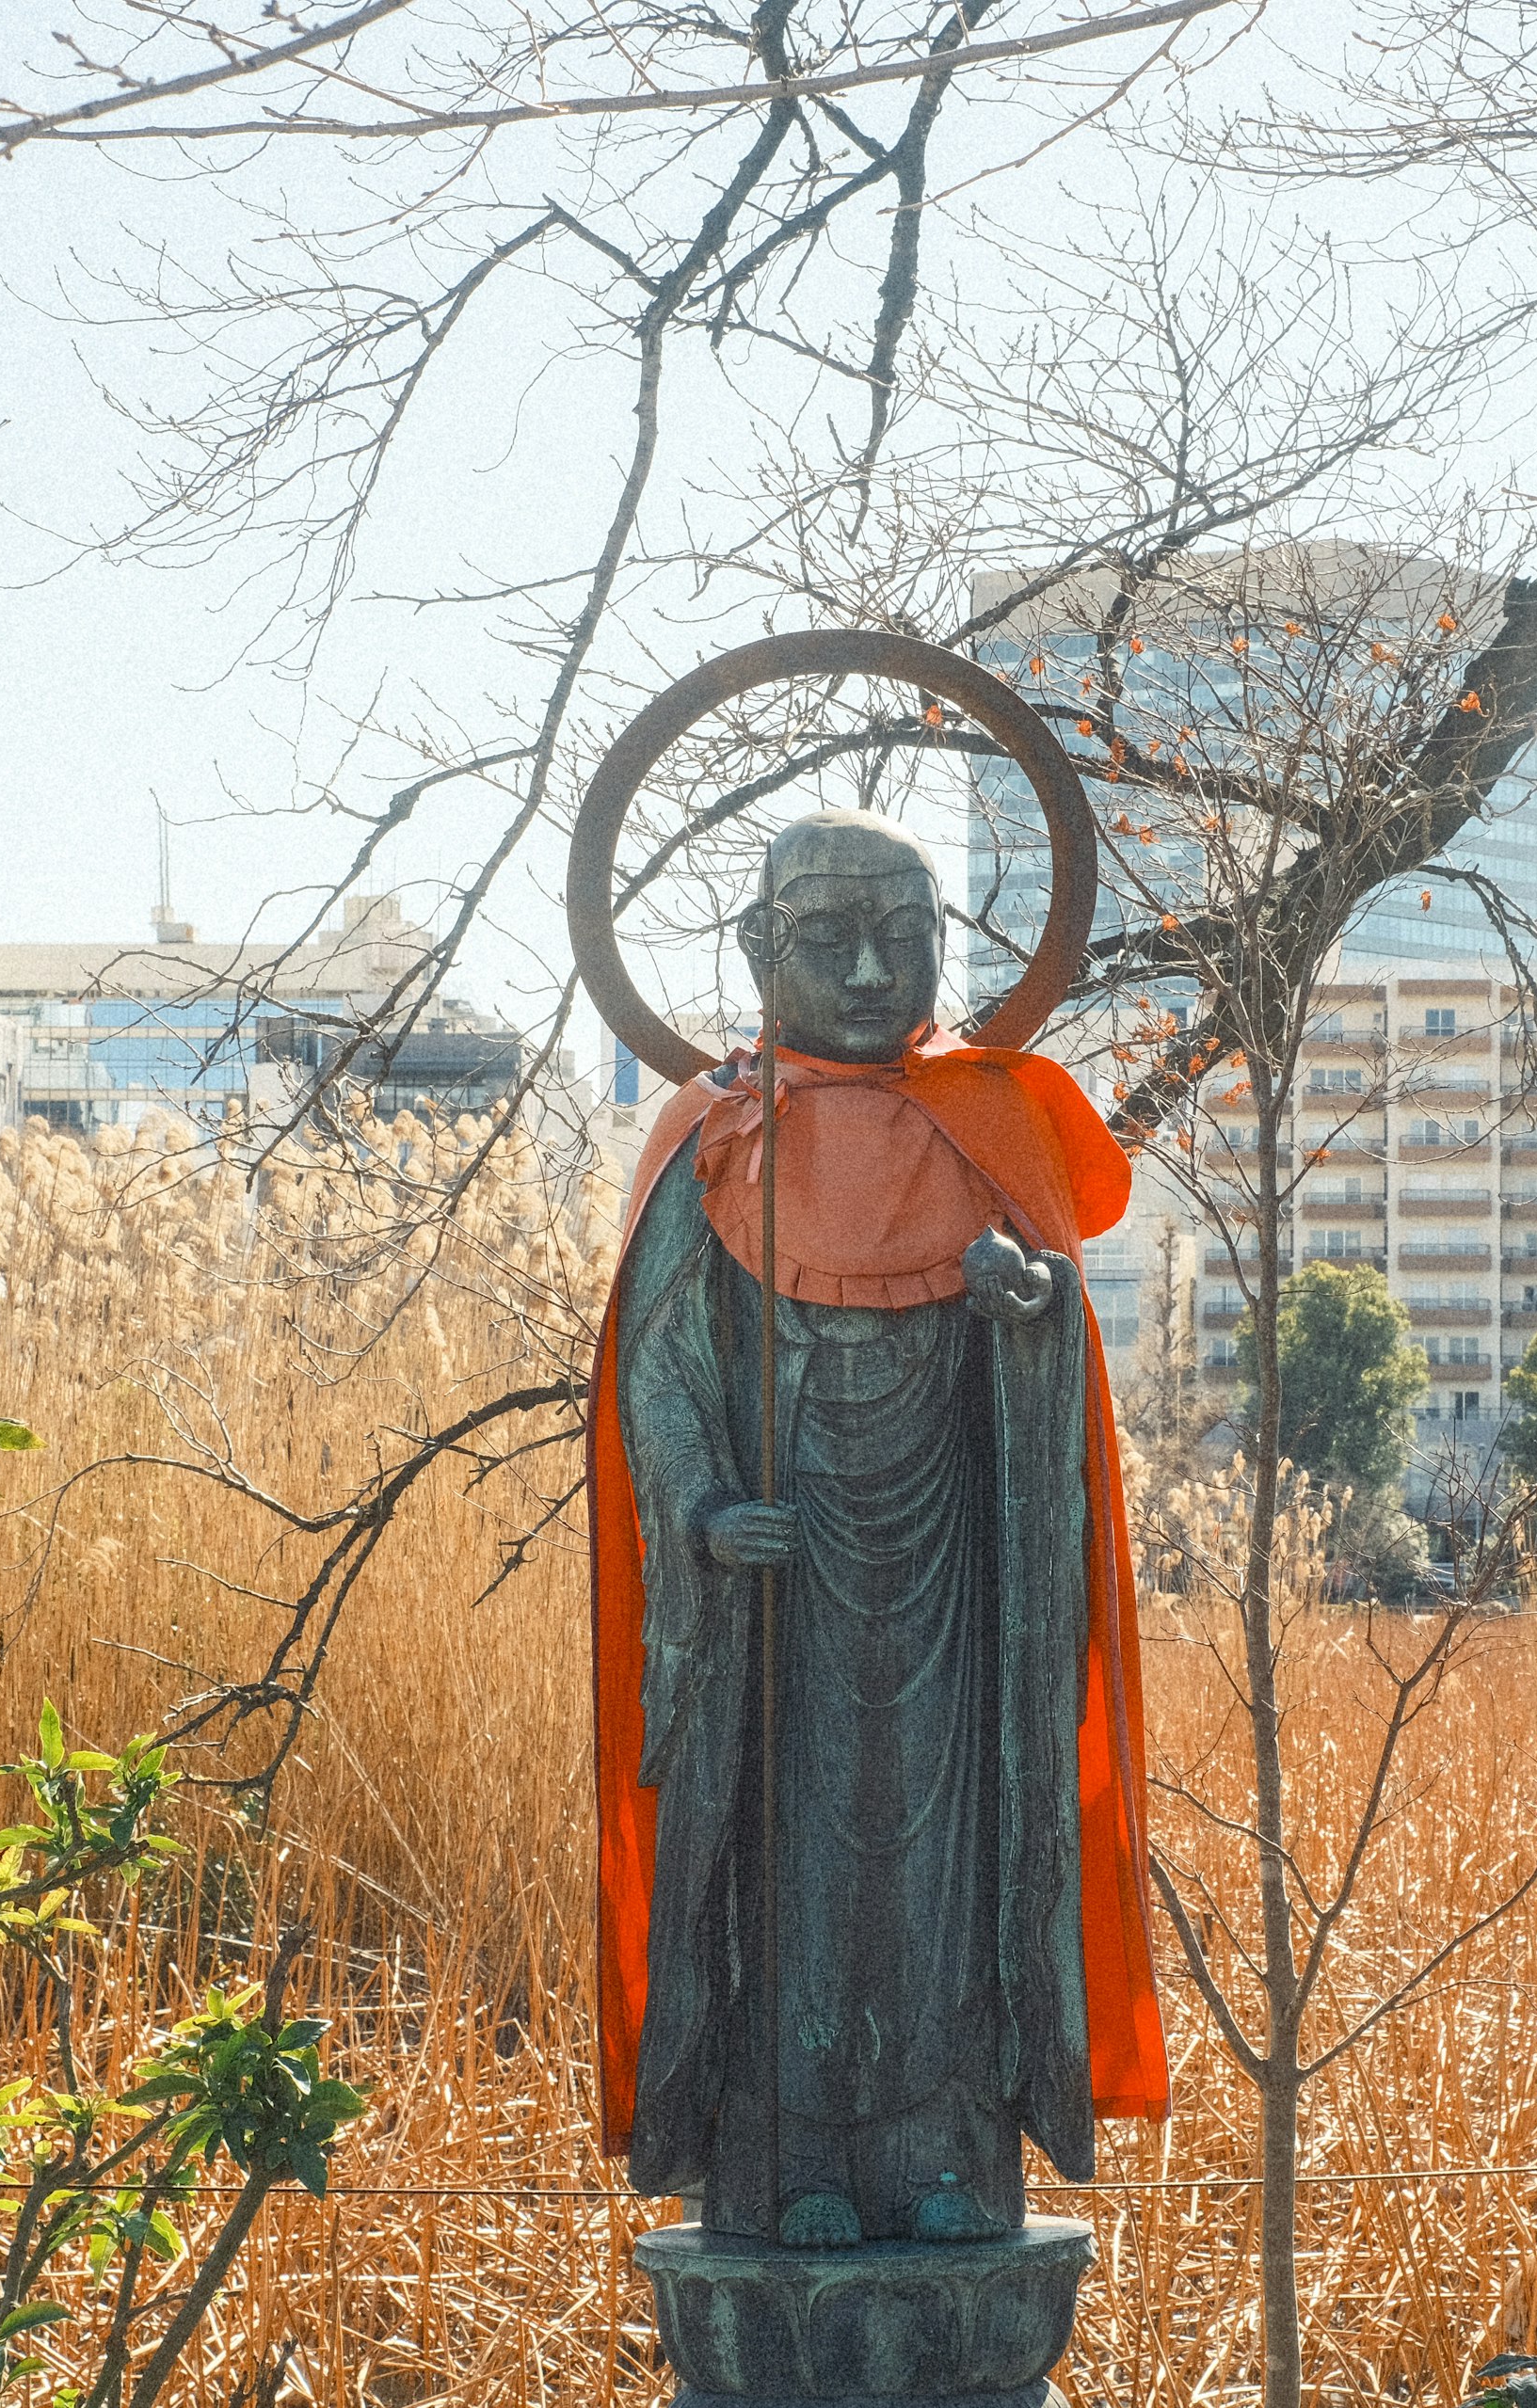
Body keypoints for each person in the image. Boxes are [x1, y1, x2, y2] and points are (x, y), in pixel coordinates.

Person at [588, 809, 1167, 2247]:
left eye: (899, 939)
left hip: (955, 1576)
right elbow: (659, 1356)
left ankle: (941, 2147)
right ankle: (789, 2165)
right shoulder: (720, 1131)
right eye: (824, 939)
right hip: (778, 1594)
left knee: (948, 1866)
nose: (864, 971)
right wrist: (704, 1504)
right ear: (753, 952)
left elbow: (1050, 1341)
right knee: (792, 1876)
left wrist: (1025, 1318)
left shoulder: (985, 1118)